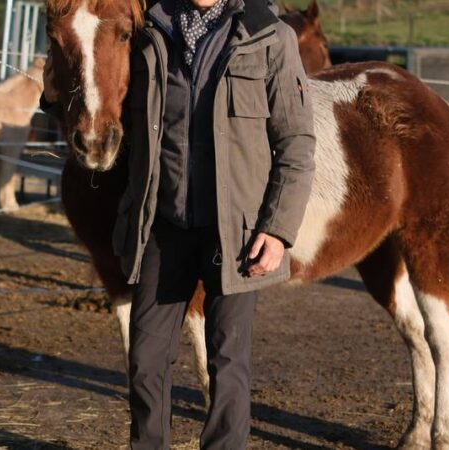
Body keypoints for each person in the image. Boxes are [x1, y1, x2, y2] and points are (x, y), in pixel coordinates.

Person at [115, 0, 317, 448]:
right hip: (162, 226)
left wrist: (278, 229)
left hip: (236, 232)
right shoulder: (149, 29)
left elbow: (297, 143)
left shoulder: (269, 37)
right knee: (145, 360)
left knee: (227, 365)